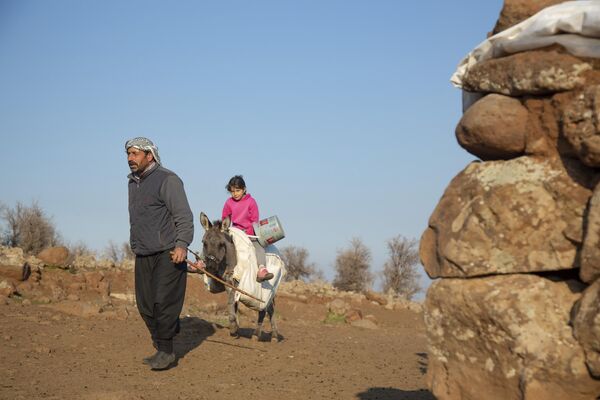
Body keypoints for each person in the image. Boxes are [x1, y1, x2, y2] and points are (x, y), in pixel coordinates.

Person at [125, 137, 194, 371]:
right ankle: (162, 342)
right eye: (128, 154)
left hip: (168, 252)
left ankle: (166, 350)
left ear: (149, 155)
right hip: (143, 252)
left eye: (135, 154)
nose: (130, 159)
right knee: (145, 305)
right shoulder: (133, 183)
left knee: (163, 302)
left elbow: (183, 215)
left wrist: (182, 244)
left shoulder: (168, 180)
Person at [221, 175, 274, 282]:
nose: (235, 194)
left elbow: (255, 220)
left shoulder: (251, 202)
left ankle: (262, 269)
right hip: (234, 233)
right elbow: (225, 218)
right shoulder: (229, 203)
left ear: (244, 189)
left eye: (238, 190)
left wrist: (248, 232)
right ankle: (205, 262)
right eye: (232, 191)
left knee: (258, 246)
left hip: (249, 234)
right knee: (216, 241)